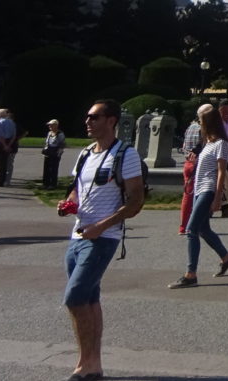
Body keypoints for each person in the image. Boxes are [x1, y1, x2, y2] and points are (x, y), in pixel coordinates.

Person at [62, 98, 144, 381]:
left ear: (111, 121)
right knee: (90, 299)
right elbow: (77, 190)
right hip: (78, 235)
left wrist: (102, 225)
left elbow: (135, 202)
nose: (88, 121)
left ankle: (86, 364)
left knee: (75, 298)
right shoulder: (85, 153)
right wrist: (69, 204)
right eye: (88, 117)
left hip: (104, 237)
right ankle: (92, 365)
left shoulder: (125, 154)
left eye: (94, 117)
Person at [168, 107, 228, 287]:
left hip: (208, 190)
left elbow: (221, 172)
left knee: (191, 230)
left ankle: (191, 274)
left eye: (202, 122)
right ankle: (226, 257)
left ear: (209, 123)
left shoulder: (221, 143)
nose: (200, 125)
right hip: (199, 189)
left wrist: (216, 199)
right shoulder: (208, 143)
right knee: (203, 229)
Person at [179, 103, 212, 235]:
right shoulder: (203, 129)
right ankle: (193, 226)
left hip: (188, 163)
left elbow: (183, 146)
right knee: (198, 196)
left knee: (187, 195)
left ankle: (184, 226)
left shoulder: (190, 127)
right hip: (198, 164)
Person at [0, 107, 18, 186]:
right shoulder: (12, 123)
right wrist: (8, 145)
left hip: (0, 143)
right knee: (4, 162)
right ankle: (3, 179)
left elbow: (0, 136)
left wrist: (4, 145)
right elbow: (14, 135)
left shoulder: (0, 122)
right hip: (8, 142)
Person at [41, 119, 68, 190]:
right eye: (49, 125)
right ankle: (45, 183)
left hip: (55, 153)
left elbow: (62, 144)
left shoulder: (60, 134)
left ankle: (53, 184)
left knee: (53, 169)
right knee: (46, 168)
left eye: (51, 125)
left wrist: (58, 153)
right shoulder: (49, 133)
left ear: (56, 125)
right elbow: (47, 142)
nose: (49, 126)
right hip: (48, 152)